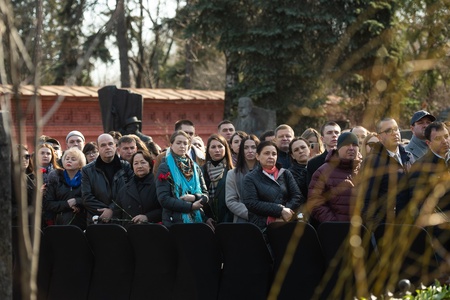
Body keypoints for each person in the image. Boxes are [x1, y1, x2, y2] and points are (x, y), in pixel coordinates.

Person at [360, 118, 414, 226]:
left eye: (396, 129)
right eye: (389, 131)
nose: (395, 133)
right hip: (386, 226)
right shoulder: (372, 161)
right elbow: (366, 200)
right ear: (379, 137)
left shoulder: (408, 156)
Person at [242, 141, 302, 231]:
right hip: (263, 225)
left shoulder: (285, 173)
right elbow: (251, 203)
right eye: (266, 153)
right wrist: (279, 210)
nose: (271, 156)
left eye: (274, 154)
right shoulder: (250, 178)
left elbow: (297, 196)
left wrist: (286, 212)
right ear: (257, 156)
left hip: (288, 222)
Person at [155, 130, 209, 227]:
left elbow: (205, 195)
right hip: (174, 222)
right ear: (171, 145)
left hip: (197, 220)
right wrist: (190, 206)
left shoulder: (195, 167)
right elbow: (163, 199)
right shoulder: (165, 167)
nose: (182, 146)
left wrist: (195, 197)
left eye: (185, 143)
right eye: (178, 143)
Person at [307, 132, 361, 224]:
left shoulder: (365, 169)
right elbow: (315, 202)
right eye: (347, 144)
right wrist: (333, 223)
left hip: (362, 231)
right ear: (338, 148)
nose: (351, 148)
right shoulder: (323, 171)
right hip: (335, 231)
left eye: (354, 145)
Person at [82, 133, 133, 224]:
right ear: (98, 149)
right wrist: (106, 211)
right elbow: (87, 197)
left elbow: (130, 192)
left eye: (110, 144)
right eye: (103, 145)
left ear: (115, 146)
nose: (107, 147)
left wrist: (112, 210)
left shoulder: (126, 166)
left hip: (122, 220)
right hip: (98, 220)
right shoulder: (87, 170)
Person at [44, 148, 87, 229]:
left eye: (73, 159)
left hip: (81, 223)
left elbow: (90, 198)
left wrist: (77, 201)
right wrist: (67, 204)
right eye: (67, 159)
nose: (69, 161)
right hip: (60, 223)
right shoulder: (55, 178)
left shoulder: (86, 179)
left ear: (80, 163)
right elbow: (49, 204)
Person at [115, 151, 162, 225]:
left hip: (153, 230)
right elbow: (118, 214)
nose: (139, 166)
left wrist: (148, 217)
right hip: (131, 232)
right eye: (136, 163)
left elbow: (165, 209)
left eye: (143, 162)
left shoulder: (158, 184)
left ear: (150, 165)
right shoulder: (125, 189)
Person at [226, 135, 260, 223]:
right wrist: (250, 214)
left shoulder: (266, 172)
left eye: (253, 147)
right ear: (241, 151)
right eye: (246, 148)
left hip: (266, 218)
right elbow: (231, 201)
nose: (250, 151)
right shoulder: (232, 174)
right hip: (242, 220)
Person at [202, 134, 234, 225]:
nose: (217, 150)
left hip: (228, 221)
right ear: (208, 150)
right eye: (213, 147)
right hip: (206, 221)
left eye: (220, 146)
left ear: (226, 149)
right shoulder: (201, 171)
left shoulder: (232, 171)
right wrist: (205, 218)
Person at [306, 122, 341, 186]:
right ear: (322, 139)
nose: (334, 135)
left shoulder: (349, 159)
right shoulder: (313, 163)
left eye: (337, 132)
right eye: (329, 133)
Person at [288, 137, 310, 202]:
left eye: (303, 147)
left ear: (309, 149)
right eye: (296, 150)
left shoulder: (320, 164)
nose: (301, 151)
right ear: (292, 156)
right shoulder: (289, 173)